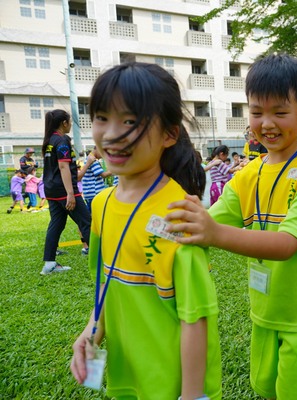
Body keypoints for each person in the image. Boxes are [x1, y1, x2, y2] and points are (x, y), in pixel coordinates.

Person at [166, 53, 297, 400]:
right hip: (265, 309)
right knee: (264, 388)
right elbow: (208, 221)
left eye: (280, 112)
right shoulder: (249, 173)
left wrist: (213, 234)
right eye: (257, 112)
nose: (267, 123)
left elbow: (288, 244)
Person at [69, 62, 221, 400]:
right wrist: (91, 332)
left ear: (169, 134)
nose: (110, 134)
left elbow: (194, 317)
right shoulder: (102, 204)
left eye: (130, 121)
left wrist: (191, 395)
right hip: (127, 373)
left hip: (174, 383)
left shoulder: (180, 215)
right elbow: (107, 281)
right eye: (102, 117)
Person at [40, 110, 92, 275]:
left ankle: (49, 264)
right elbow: (63, 167)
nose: (71, 124)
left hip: (51, 189)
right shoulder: (61, 140)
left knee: (57, 223)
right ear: (64, 123)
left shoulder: (50, 140)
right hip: (64, 190)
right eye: (70, 121)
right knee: (87, 222)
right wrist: (70, 193)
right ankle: (104, 259)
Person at [81, 146, 112, 213]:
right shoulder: (93, 161)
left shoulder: (90, 159)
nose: (103, 156)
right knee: (94, 215)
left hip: (90, 193)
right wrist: (116, 170)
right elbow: (104, 175)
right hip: (94, 193)